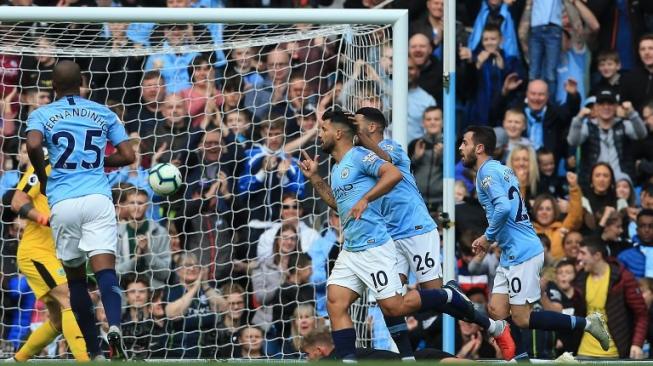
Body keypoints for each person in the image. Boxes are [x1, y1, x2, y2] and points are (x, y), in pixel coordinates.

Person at [299, 109, 477, 361]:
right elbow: (336, 204)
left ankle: (447, 296)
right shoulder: (339, 169)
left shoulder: (366, 154)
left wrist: (366, 198)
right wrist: (315, 177)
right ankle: (351, 359)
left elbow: (393, 173)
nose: (319, 135)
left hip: (389, 239)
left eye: (324, 129)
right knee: (335, 301)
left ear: (339, 133)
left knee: (395, 305)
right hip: (354, 248)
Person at [353, 107, 515, 358]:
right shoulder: (359, 158)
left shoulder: (392, 148)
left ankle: (491, 325)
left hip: (416, 230)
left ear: (372, 127)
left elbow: (385, 160)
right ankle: (406, 357)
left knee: (437, 297)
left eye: (358, 122)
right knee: (389, 300)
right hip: (390, 237)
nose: (354, 126)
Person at [458, 125, 611, 359]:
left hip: (523, 252)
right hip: (511, 251)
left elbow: (503, 207)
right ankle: (517, 357)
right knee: (496, 310)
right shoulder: (502, 170)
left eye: (465, 143)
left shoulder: (486, 174)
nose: (461, 147)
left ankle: (587, 324)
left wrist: (488, 237)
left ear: (479, 148)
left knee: (522, 317)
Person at [25, 60, 136, 360]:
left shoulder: (42, 114)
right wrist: (99, 162)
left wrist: (46, 177)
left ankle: (95, 351)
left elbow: (33, 145)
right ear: (83, 83)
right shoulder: (103, 112)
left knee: (75, 280)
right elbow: (128, 155)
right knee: (106, 272)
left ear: (53, 86)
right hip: (98, 198)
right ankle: (114, 325)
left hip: (63, 202)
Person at [4, 158, 89, 361]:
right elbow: (17, 201)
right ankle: (86, 360)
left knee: (58, 321)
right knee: (70, 299)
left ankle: (16, 361)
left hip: (58, 255)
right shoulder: (44, 164)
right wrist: (46, 219)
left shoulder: (84, 171)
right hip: (36, 252)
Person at [575, 238, 648, 359]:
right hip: (584, 352)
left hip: (613, 353)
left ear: (597, 255)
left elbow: (641, 314)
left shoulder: (622, 277)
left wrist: (637, 343)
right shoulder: (581, 278)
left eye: (583, 253)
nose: (578, 258)